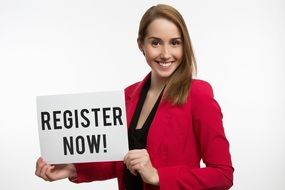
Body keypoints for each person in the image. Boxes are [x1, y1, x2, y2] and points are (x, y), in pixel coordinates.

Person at [35, 4, 234, 190]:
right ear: (141, 45)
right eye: (155, 43)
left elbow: (223, 175)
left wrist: (158, 175)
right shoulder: (128, 95)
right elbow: (120, 161)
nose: (166, 54)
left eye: (175, 43)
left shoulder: (198, 95)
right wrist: (72, 168)